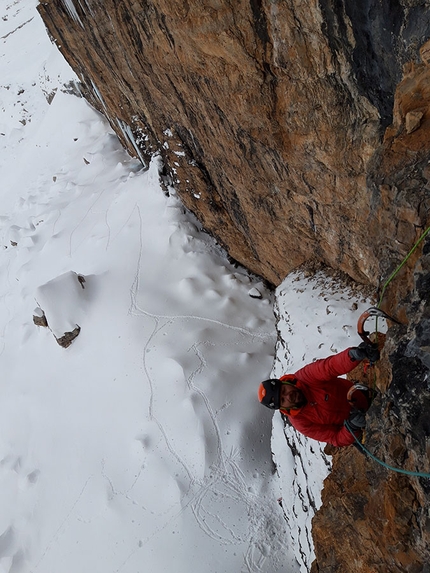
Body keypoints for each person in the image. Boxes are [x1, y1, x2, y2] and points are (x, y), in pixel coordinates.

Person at [258, 343, 380, 447]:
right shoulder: (301, 422)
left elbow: (330, 367)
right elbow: (334, 438)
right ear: (283, 408)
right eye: (283, 400)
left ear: (285, 382)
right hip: (359, 427)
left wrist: (353, 355)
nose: (288, 396)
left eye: (284, 390)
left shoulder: (306, 377)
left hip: (364, 396)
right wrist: (352, 428)